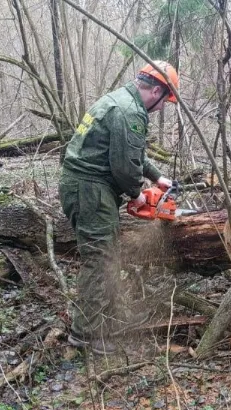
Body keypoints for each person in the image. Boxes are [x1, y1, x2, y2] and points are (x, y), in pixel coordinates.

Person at [59, 61, 179, 355]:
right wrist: (137, 195)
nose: (163, 108)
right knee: (99, 260)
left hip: (87, 186)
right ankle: (87, 333)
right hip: (90, 190)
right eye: (165, 102)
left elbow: (131, 151)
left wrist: (156, 177)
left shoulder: (119, 100)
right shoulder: (129, 112)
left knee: (108, 255)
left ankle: (113, 316)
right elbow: (124, 166)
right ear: (155, 91)